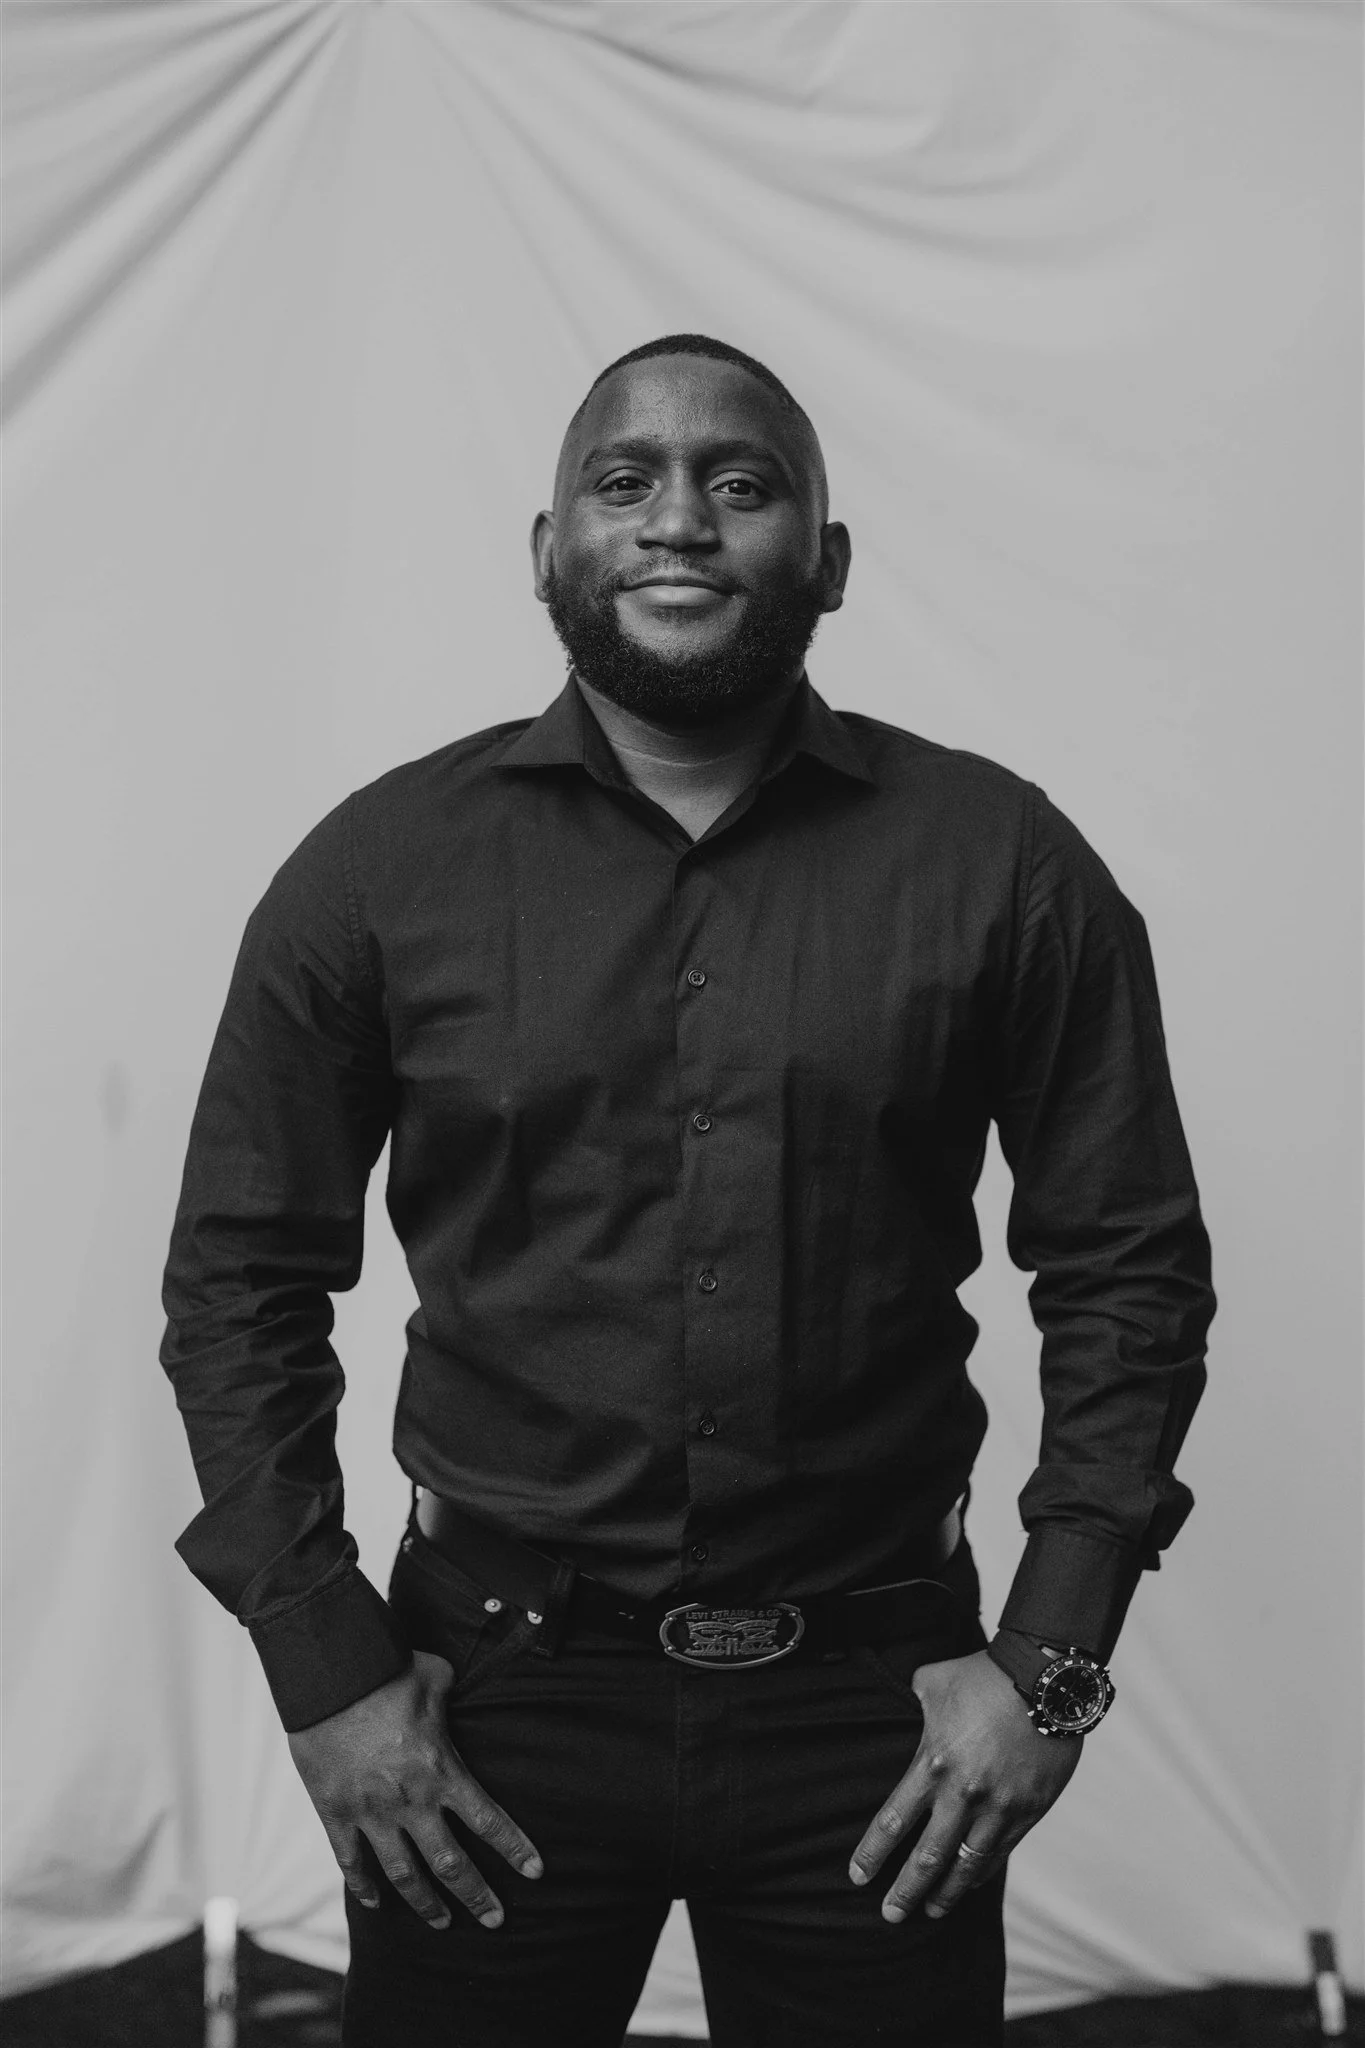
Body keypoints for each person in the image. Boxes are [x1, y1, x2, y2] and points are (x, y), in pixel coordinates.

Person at [161, 334, 1214, 2047]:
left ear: (829, 557)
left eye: (742, 483)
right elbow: (238, 1279)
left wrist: (1051, 1661)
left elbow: (1130, 1269)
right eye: (626, 480)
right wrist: (324, 1662)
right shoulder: (377, 872)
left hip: (882, 1713)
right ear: (548, 547)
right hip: (481, 1701)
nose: (680, 523)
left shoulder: (1002, 864)